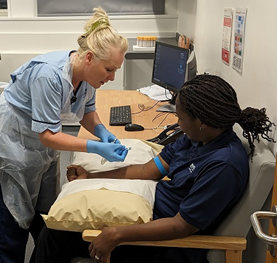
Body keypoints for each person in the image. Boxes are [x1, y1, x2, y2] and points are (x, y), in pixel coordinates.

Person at [32, 74, 276, 263]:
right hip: (150, 207)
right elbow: (149, 170)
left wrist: (116, 235)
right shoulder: (198, 138)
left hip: (165, 245)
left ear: (201, 122)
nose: (177, 122)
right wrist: (92, 176)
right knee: (57, 226)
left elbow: (182, 226)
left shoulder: (223, 166)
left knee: (55, 234)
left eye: (180, 117)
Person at [0, 7, 130, 263]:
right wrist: (95, 147)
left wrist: (102, 132)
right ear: (90, 58)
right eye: (109, 70)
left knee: (47, 212)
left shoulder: (88, 76)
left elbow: (86, 111)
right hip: (16, 141)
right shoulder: (49, 76)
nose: (112, 77)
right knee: (12, 219)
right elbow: (48, 135)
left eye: (116, 70)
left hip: (42, 146)